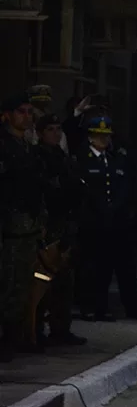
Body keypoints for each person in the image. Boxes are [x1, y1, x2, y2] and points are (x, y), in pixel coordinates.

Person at [78, 115, 137, 321]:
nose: (104, 140)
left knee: (125, 268)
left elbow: (126, 188)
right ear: (90, 137)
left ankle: (133, 308)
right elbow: (85, 191)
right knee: (96, 269)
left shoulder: (117, 159)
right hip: (95, 223)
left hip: (118, 223)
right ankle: (94, 307)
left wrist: (120, 208)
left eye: (106, 136)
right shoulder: (82, 159)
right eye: (99, 136)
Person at [0, 95, 48, 356]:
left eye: (30, 112)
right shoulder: (5, 145)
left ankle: (16, 335)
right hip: (10, 224)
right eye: (21, 112)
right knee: (8, 283)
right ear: (7, 115)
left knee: (23, 284)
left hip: (28, 223)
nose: (27, 117)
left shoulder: (29, 146)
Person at [35, 114, 86, 346]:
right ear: (41, 133)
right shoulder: (38, 158)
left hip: (65, 224)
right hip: (48, 225)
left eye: (58, 129)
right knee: (42, 281)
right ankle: (34, 330)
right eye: (50, 129)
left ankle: (60, 328)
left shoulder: (64, 158)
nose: (55, 133)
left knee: (65, 281)